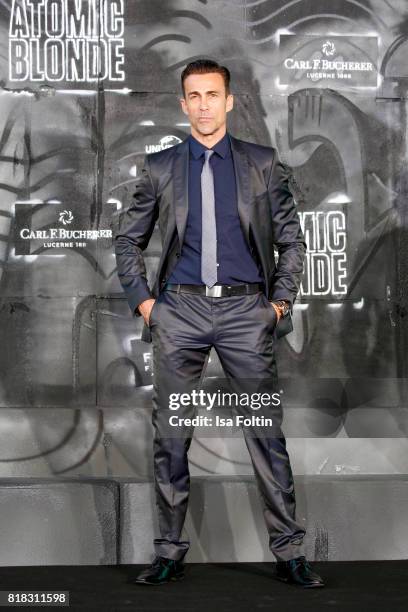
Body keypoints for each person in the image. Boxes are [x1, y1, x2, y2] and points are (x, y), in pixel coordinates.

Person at [114, 59, 324, 588]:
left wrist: (277, 305)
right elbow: (128, 240)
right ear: (183, 105)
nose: (204, 104)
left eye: (213, 94)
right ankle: (167, 552)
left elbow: (291, 241)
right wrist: (147, 304)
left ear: (230, 101)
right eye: (194, 95)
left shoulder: (261, 163)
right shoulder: (162, 167)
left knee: (265, 434)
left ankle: (290, 552)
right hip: (179, 313)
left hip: (243, 315)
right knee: (171, 436)